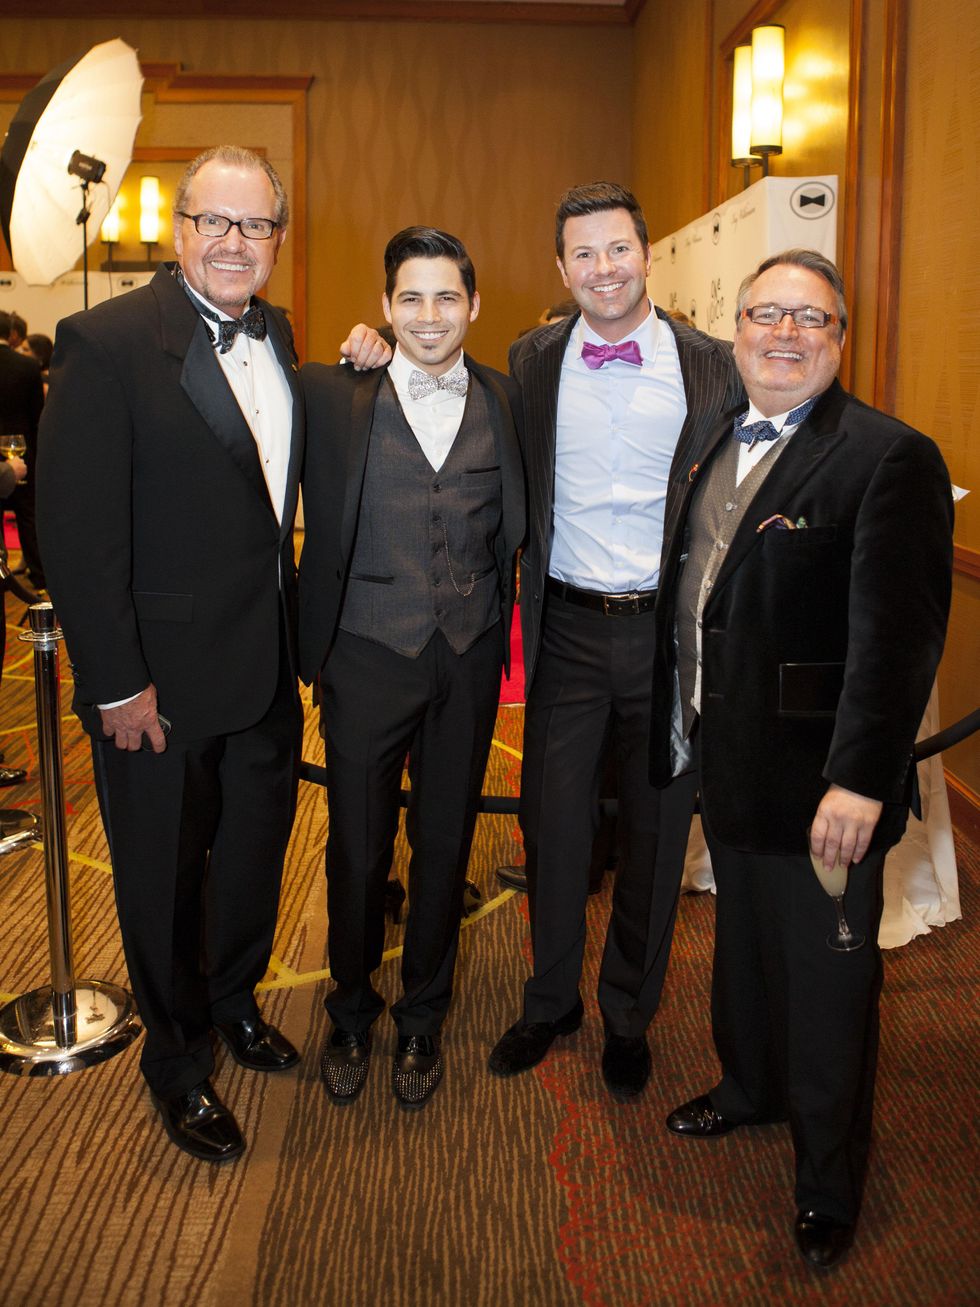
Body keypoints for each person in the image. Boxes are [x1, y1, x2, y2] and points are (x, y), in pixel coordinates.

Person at [37, 145, 387, 1163]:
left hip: (263, 672)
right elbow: (77, 532)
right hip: (157, 686)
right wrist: (116, 682)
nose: (236, 243)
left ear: (279, 238)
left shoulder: (276, 334)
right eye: (216, 222)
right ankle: (177, 1061)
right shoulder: (103, 344)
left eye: (256, 226)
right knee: (161, 876)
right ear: (181, 228)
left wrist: (368, 357)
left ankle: (233, 1001)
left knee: (247, 863)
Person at [650, 249, 953, 1268]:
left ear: (837, 338)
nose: (783, 334)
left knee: (828, 981)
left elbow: (895, 643)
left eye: (807, 319)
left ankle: (826, 1180)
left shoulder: (886, 456)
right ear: (734, 330)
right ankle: (747, 1089)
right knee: (742, 950)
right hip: (727, 762)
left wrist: (859, 779)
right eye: (763, 315)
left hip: (825, 789)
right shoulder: (710, 435)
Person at [488, 182, 742, 1099]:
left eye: (619, 249)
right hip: (567, 634)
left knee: (655, 835)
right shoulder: (531, 358)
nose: (603, 269)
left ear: (648, 254)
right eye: (584, 254)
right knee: (552, 830)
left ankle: (628, 1012)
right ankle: (550, 998)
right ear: (562, 268)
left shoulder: (715, 365)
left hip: (670, 640)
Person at [299, 227, 524, 1110]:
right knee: (357, 850)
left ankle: (423, 1017)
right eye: (410, 298)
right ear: (386, 308)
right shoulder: (334, 394)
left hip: (466, 657)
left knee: (444, 847)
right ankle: (351, 1010)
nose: (429, 316)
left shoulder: (507, 400)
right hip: (364, 653)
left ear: (471, 306)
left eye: (446, 298)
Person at [0, 309, 45, 595]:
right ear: (12, 334)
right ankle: (39, 575)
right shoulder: (27, 367)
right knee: (28, 515)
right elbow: (38, 416)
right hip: (23, 450)